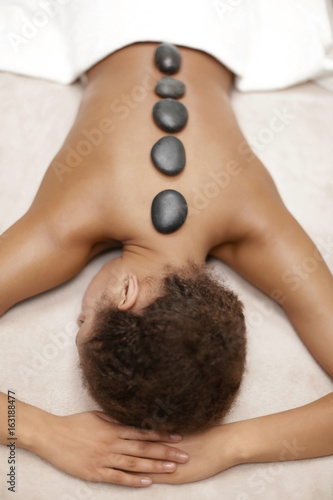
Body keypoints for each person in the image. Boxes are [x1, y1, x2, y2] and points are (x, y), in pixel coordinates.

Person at [0, 42, 332, 488]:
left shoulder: (254, 220)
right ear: (124, 294)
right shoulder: (66, 224)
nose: (78, 313)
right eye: (83, 322)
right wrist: (40, 431)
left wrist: (230, 444)